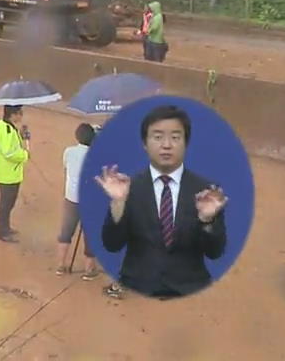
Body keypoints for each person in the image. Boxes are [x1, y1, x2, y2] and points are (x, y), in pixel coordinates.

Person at [94, 104, 228, 299]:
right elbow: (112, 245)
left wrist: (207, 221)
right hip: (137, 288)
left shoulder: (206, 192)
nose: (166, 145)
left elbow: (215, 252)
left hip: (191, 290)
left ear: (186, 143)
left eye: (175, 137)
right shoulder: (129, 188)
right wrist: (119, 203)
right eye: (157, 137)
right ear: (145, 144)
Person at [56, 123, 99, 279]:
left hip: (71, 198)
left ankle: (61, 265)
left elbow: (66, 170)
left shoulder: (69, 152)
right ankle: (89, 269)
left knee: (66, 232)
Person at [0, 105, 30, 243]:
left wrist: (21, 135)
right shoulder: (7, 129)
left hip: (7, 172)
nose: (21, 115)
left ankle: (5, 228)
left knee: (9, 202)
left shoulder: (2, 125)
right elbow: (9, 152)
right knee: (6, 203)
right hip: (8, 174)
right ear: (12, 115)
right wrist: (24, 155)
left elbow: (10, 144)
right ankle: (3, 232)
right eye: (20, 113)